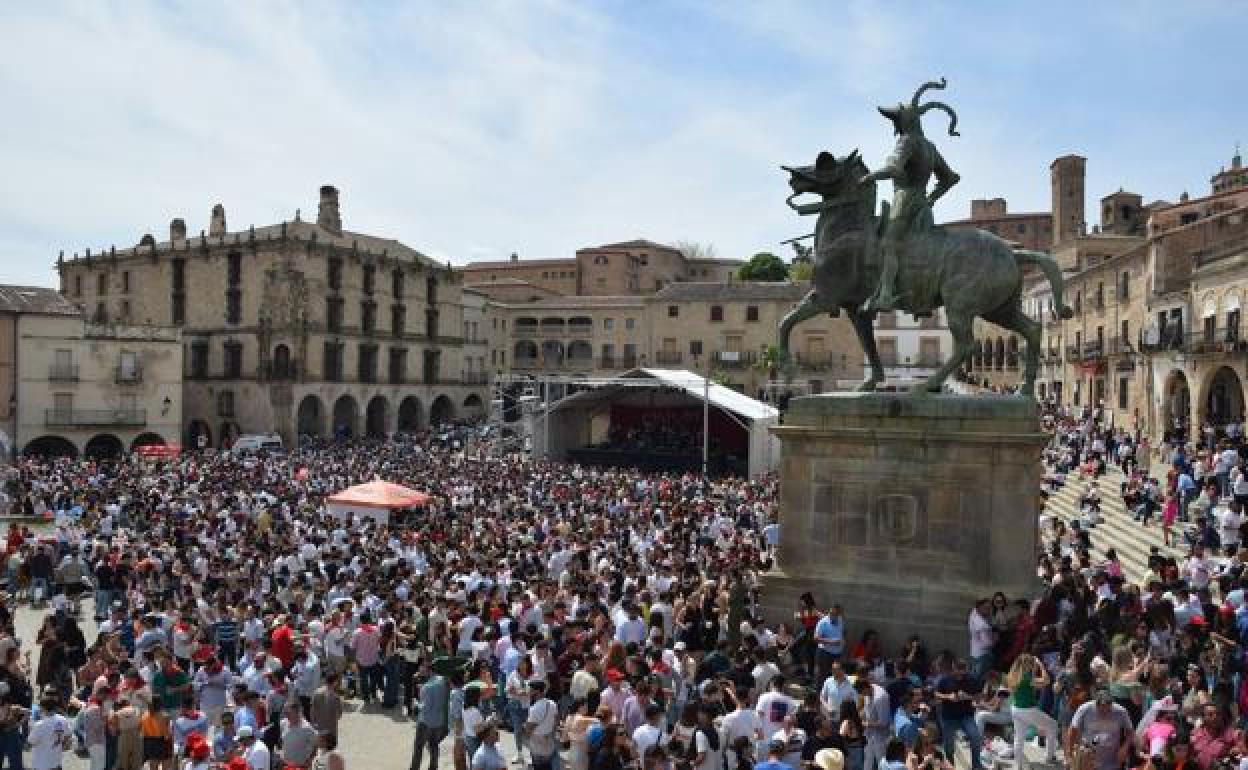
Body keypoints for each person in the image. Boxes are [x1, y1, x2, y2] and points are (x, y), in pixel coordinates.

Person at [858, 78, 961, 314]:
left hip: (903, 199)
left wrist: (868, 178)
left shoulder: (906, 141)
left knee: (888, 245)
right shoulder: (930, 147)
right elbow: (950, 178)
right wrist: (932, 198)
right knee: (920, 248)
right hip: (923, 205)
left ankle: (884, 294)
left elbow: (894, 168)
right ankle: (921, 299)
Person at [1007, 654, 1059, 769]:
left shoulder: (1014, 675)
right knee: (1053, 725)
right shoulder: (1026, 678)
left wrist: (1034, 669)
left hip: (1016, 709)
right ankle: (1049, 756)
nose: (1032, 665)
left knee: (1019, 737)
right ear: (1027, 664)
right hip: (1028, 710)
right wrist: (1040, 665)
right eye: (1031, 663)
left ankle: (1018, 765)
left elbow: (1032, 684)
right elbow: (1047, 681)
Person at [1067, 688, 1133, 770]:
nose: (1105, 711)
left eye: (1108, 709)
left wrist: (1125, 747)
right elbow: (1073, 729)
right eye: (1101, 709)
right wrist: (1069, 754)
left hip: (1112, 759)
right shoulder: (1084, 709)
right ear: (1096, 704)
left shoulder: (1121, 711)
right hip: (1088, 759)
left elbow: (1130, 731)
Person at [934, 660, 981, 770]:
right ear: (953, 669)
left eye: (963, 673)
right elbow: (936, 694)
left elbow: (980, 696)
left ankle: (976, 765)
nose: (960, 676)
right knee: (949, 745)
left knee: (975, 737)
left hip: (966, 715)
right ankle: (951, 766)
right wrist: (948, 697)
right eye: (958, 673)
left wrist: (967, 696)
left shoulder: (971, 679)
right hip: (948, 716)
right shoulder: (944, 680)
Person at [411, 662, 449, 770]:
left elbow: (425, 708)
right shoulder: (443, 680)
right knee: (434, 746)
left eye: (422, 671)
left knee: (418, 748)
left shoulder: (426, 687)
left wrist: (416, 703)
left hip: (425, 722)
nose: (420, 673)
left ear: (429, 671)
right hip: (439, 721)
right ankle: (433, 767)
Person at [27, 695, 72, 770]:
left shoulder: (40, 725)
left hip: (42, 764)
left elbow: (30, 742)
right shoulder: (63, 719)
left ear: (42, 708)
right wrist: (62, 745)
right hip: (56, 762)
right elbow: (68, 735)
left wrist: (30, 728)